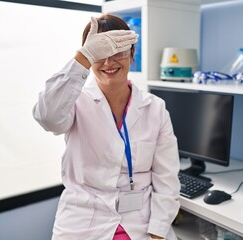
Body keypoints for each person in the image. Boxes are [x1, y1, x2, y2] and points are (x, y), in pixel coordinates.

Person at [33, 14, 181, 240]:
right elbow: (47, 117)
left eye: (117, 52)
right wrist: (84, 56)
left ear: (132, 54)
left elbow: (166, 178)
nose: (109, 62)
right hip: (84, 222)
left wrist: (158, 233)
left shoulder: (155, 109)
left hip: (141, 223)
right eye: (100, 53)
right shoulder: (74, 101)